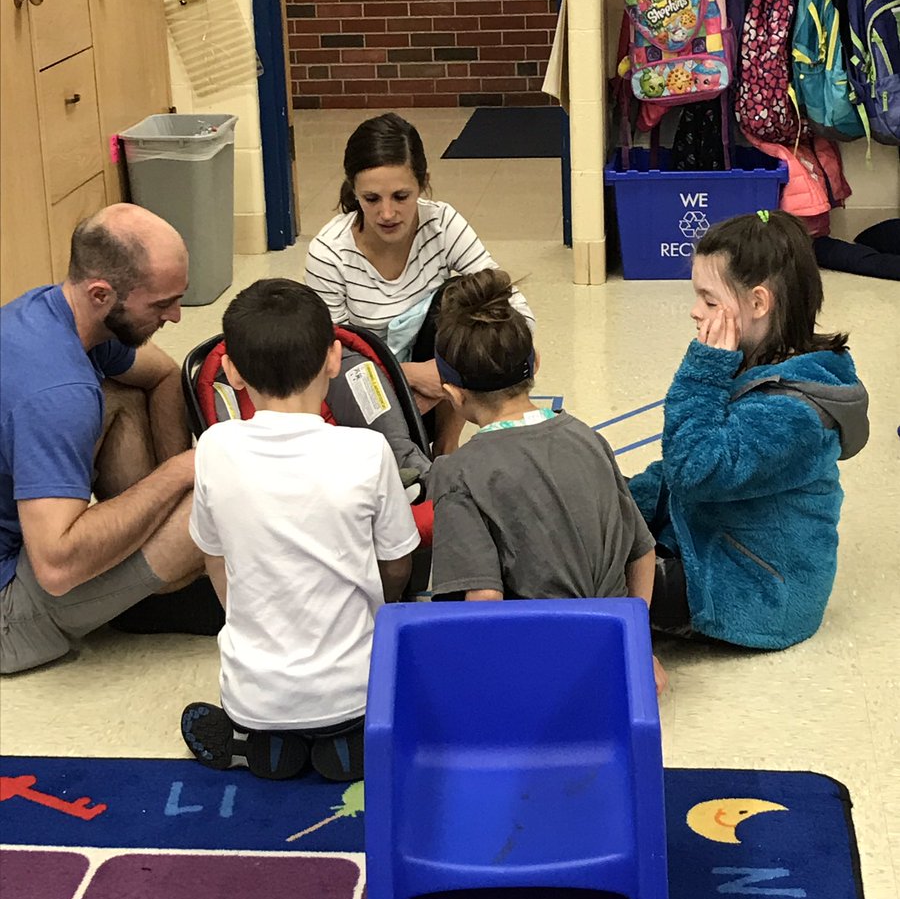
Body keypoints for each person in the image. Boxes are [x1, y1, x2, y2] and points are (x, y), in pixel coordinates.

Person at [181, 279, 420, 781]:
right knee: (349, 745)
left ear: (232, 373)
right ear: (335, 359)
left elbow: (214, 558)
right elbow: (398, 562)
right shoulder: (367, 451)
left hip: (255, 693)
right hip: (356, 689)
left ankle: (261, 747)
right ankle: (345, 747)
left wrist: (250, 616)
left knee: (273, 748)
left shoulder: (215, 448)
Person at [628, 211, 869, 651]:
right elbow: (675, 470)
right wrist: (624, 502)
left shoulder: (797, 415)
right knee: (591, 513)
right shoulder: (756, 359)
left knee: (601, 569)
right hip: (714, 539)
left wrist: (701, 375)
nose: (694, 311)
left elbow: (694, 469)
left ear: (758, 304)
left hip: (755, 590)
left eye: (709, 299)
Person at [428, 269, 666, 696]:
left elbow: (484, 600)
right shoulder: (588, 437)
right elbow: (643, 554)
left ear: (453, 393)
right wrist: (634, 640)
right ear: (535, 363)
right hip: (612, 651)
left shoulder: (455, 473)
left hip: (541, 669)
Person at [0, 205, 206, 675]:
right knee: (214, 496)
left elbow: (166, 378)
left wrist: (165, 487)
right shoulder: (57, 392)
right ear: (101, 293)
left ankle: (140, 573)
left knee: (122, 391)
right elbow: (55, 566)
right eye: (159, 304)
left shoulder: (61, 314)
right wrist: (179, 475)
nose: (175, 316)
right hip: (7, 615)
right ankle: (156, 597)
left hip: (24, 540)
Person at [305, 113, 534, 455]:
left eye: (401, 196)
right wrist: (409, 374)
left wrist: (524, 343)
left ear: (423, 184)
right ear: (354, 190)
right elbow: (330, 359)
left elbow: (504, 296)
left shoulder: (442, 223)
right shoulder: (328, 253)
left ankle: (445, 447)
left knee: (462, 299)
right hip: (364, 388)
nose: (386, 213)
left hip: (438, 386)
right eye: (372, 199)